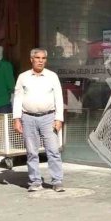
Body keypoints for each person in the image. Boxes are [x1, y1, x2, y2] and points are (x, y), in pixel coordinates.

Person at [13, 48, 65, 192]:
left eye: (43, 58)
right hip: (28, 118)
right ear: (31, 59)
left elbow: (59, 98)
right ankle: (35, 181)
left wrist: (59, 118)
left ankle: (57, 181)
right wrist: (16, 118)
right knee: (31, 152)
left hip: (49, 117)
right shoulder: (23, 77)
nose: (41, 61)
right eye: (37, 58)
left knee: (53, 150)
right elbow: (17, 98)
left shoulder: (52, 76)